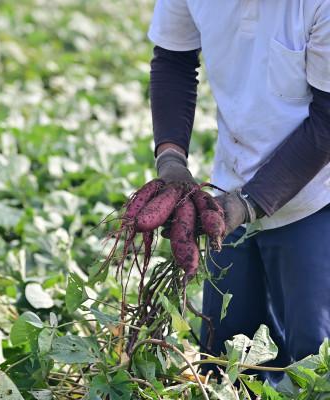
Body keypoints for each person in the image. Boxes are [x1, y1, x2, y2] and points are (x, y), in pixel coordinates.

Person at [147, 0, 330, 382]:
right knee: (225, 361)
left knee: (314, 365)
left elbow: (327, 121)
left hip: (317, 195)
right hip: (230, 180)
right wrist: (170, 156)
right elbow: (174, 61)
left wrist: (250, 203)